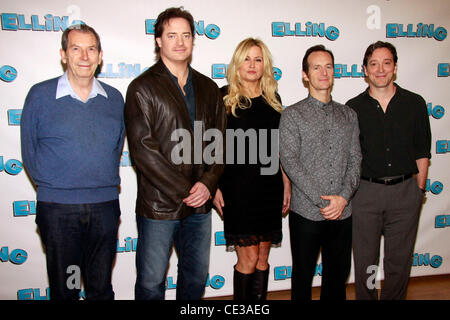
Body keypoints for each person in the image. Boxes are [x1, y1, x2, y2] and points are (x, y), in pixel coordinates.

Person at [124, 7, 226, 300]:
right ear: (158, 40)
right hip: (159, 205)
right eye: (172, 35)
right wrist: (187, 190)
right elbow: (144, 151)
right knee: (151, 282)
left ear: (194, 39)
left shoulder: (208, 87)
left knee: (195, 278)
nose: (180, 42)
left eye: (186, 35)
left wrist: (208, 184)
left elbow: (220, 142)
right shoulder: (142, 87)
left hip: (200, 205)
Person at [20, 24, 125, 300]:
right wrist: (54, 187)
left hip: (104, 209)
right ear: (63, 55)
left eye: (91, 49)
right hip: (58, 212)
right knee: (66, 288)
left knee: (100, 288)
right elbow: (29, 151)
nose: (84, 56)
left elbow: (115, 148)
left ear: (100, 56)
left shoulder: (114, 99)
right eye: (76, 49)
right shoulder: (41, 96)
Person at [346, 41, 431, 300]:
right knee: (366, 262)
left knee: (399, 262)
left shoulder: (415, 104)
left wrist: (418, 190)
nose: (380, 69)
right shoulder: (353, 108)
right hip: (366, 195)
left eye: (386, 63)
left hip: (406, 193)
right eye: (374, 63)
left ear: (395, 67)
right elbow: (350, 157)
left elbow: (422, 151)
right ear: (365, 70)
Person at [279, 45, 362, 301]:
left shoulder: (349, 115)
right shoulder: (292, 115)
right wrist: (323, 200)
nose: (323, 72)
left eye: (328, 66)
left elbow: (356, 158)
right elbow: (290, 161)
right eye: (316, 67)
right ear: (305, 75)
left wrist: (344, 197)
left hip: (342, 212)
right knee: (302, 278)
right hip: (306, 212)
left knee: (337, 279)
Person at [213, 38, 291, 300]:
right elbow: (210, 149)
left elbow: (278, 149)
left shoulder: (273, 98)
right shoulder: (223, 98)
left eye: (258, 59)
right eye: (246, 58)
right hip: (238, 191)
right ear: (237, 63)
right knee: (247, 259)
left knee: (262, 259)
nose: (252, 64)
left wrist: (287, 183)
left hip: (270, 188)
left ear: (265, 65)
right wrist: (213, 187)